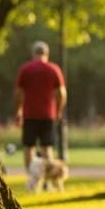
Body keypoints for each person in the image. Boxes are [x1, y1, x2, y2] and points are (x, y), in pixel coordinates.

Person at [14, 40, 67, 171]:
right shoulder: (54, 69)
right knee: (47, 147)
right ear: (47, 54)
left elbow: (18, 93)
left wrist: (18, 110)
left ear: (33, 53)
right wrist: (59, 111)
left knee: (29, 147)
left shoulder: (25, 69)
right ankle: (48, 180)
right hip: (48, 114)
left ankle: (30, 178)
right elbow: (61, 93)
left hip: (29, 113)